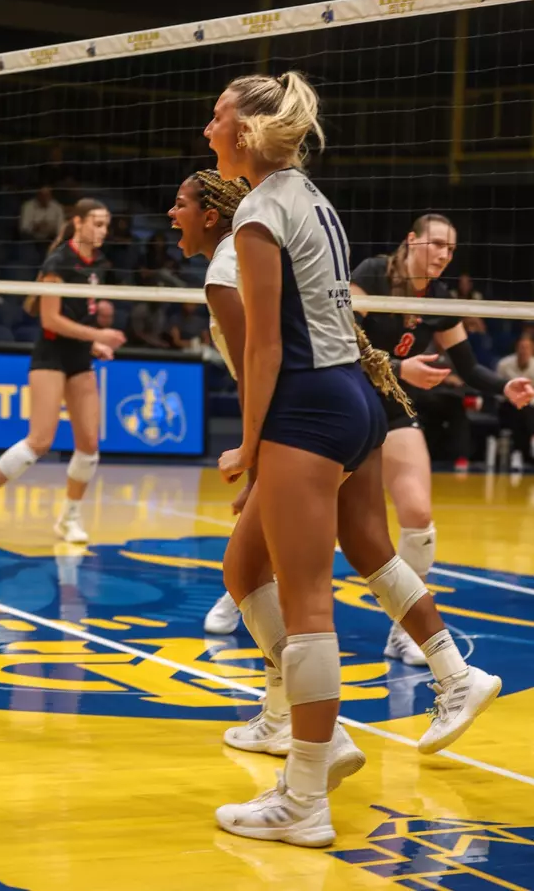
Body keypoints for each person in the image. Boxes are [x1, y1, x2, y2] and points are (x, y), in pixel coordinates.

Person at [205, 71, 503, 848]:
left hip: (308, 403)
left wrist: (248, 441)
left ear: (243, 133)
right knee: (313, 560)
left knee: (305, 598)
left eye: (216, 119)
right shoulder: (312, 197)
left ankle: (304, 792)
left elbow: (266, 345)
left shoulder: (260, 212)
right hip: (354, 398)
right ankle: (445, 678)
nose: (208, 130)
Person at [351, 215, 534, 664]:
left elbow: (469, 368)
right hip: (347, 402)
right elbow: (339, 346)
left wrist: (503, 387)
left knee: (419, 517)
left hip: (393, 410)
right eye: (436, 245)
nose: (443, 255)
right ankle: (239, 597)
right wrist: (400, 370)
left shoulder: (440, 298)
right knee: (301, 518)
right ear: (411, 241)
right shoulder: (373, 275)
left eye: (450, 250)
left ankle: (403, 631)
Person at [0, 199, 126, 545]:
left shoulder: (99, 264)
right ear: (77, 223)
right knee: (41, 441)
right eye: (96, 223)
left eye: (106, 224)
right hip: (50, 357)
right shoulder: (58, 262)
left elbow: (80, 317)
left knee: (89, 445)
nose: (102, 230)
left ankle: (69, 518)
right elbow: (50, 320)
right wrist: (99, 335)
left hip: (80, 358)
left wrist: (94, 346)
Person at [168, 169, 250, 636]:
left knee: (254, 564)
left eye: (181, 204)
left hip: (307, 411)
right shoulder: (243, 252)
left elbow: (256, 371)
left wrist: (252, 452)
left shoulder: (226, 271)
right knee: (366, 547)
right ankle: (451, 669)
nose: (172, 213)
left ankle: (284, 704)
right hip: (336, 401)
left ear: (211, 215)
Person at [497, 335, 534, 469]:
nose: (524, 350)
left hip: (530, 407)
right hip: (507, 406)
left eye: (527, 348)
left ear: (532, 350)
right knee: (520, 411)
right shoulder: (503, 365)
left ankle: (518, 453)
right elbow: (497, 391)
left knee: (525, 411)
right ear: (516, 348)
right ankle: (530, 446)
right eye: (521, 347)